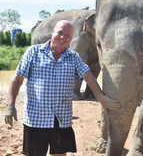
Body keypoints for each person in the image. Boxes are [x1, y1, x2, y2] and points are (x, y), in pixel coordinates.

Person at [4, 20, 120, 156]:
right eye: (60, 33)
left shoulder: (73, 57)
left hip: (61, 119)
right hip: (35, 119)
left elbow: (88, 76)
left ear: (71, 38)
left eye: (67, 35)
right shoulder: (33, 52)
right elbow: (17, 79)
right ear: (53, 32)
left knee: (60, 154)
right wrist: (10, 105)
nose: (63, 37)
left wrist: (101, 98)